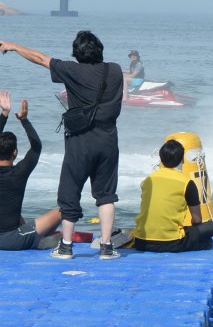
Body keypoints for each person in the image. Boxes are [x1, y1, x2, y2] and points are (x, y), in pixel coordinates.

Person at [0, 31, 123, 260]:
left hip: (79, 142)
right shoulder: (114, 70)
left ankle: (66, 247)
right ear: (100, 49)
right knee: (106, 195)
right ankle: (106, 247)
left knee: (69, 193)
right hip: (108, 141)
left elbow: (40, 58)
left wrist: (14, 46)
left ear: (76, 53)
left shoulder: (71, 70)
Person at [132, 138, 213, 253]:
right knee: (211, 226)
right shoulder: (187, 182)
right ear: (182, 160)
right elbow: (197, 219)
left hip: (141, 242)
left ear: (161, 158)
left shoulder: (148, 180)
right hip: (171, 243)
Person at [0, 91, 61, 251]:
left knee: (16, 216)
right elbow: (36, 147)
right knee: (64, 210)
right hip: (11, 241)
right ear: (15, 152)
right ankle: (37, 241)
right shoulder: (19, 172)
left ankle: (31, 234)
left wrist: (4, 114)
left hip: (10, 233)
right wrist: (24, 119)